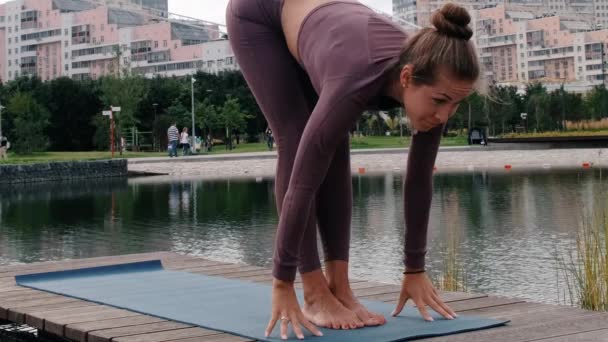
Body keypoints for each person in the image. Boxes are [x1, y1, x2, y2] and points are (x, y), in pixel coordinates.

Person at [227, 0, 479, 339]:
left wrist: (415, 268)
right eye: (440, 102)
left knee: (334, 135)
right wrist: (282, 281)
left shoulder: (433, 78)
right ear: (406, 77)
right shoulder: (359, 76)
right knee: (299, 137)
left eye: (455, 104)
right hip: (260, 13)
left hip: (326, 24)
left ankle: (340, 288)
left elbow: (420, 178)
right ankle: (314, 292)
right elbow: (302, 185)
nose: (445, 115)